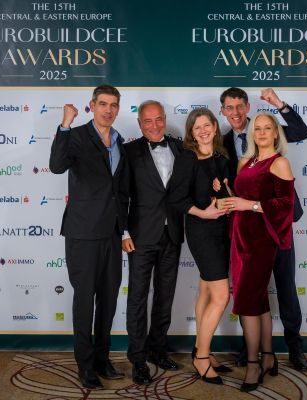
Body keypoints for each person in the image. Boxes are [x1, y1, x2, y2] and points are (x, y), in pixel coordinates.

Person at [220, 87, 307, 371]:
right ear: (223, 111)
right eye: (229, 107)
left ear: (247, 107)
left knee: (286, 289)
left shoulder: (265, 128)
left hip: (276, 226)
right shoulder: (222, 142)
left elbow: (302, 131)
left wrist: (278, 104)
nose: (235, 112)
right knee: (250, 291)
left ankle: (295, 347)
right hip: (247, 232)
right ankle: (250, 349)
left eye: (239, 106)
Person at [49, 85, 128, 390]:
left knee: (108, 300)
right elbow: (56, 166)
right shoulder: (77, 135)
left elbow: (121, 192)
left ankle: (102, 359)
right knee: (85, 301)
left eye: (113, 105)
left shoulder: (120, 141)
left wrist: (124, 230)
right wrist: (64, 126)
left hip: (112, 234)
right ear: (92, 106)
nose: (108, 110)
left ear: (118, 108)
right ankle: (85, 365)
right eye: (103, 104)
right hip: (82, 233)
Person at [222, 112, 294, 392]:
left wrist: (248, 205)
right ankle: (268, 357)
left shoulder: (279, 163)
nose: (262, 132)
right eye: (257, 128)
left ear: (276, 133)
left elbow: (285, 205)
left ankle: (253, 364)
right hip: (240, 237)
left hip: (261, 240)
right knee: (259, 300)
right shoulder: (246, 162)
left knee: (248, 302)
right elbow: (242, 196)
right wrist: (229, 197)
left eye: (267, 128)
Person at [168, 108, 232, 385]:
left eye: (207, 125)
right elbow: (176, 198)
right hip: (202, 232)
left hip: (222, 230)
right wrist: (203, 213)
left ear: (215, 127)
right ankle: (202, 358)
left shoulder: (221, 156)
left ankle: (199, 348)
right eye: (197, 128)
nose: (203, 131)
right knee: (221, 295)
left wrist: (221, 189)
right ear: (191, 133)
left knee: (207, 290)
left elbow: (222, 193)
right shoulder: (188, 158)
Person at [122, 100, 184, 385]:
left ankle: (158, 349)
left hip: (173, 234)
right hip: (140, 236)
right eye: (148, 121)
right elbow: (121, 195)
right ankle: (137, 358)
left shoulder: (180, 148)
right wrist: (123, 232)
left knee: (165, 295)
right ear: (140, 124)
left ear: (165, 119)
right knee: (137, 297)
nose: (155, 125)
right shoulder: (128, 152)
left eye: (159, 119)